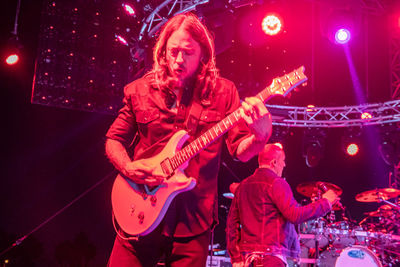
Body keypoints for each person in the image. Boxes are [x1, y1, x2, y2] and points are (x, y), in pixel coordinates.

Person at [105, 12, 272, 267]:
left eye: (188, 52)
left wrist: (260, 137)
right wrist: (128, 167)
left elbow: (241, 151)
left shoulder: (224, 92)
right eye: (173, 52)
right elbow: (113, 140)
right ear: (163, 51)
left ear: (203, 54)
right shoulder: (139, 89)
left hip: (193, 220)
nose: (179, 60)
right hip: (138, 207)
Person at [226, 144, 340, 267]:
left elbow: (231, 226)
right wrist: (325, 202)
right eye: (283, 161)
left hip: (247, 259)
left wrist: (236, 257)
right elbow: (295, 215)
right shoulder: (276, 183)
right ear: (274, 162)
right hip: (270, 258)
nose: (284, 165)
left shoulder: (242, 186)